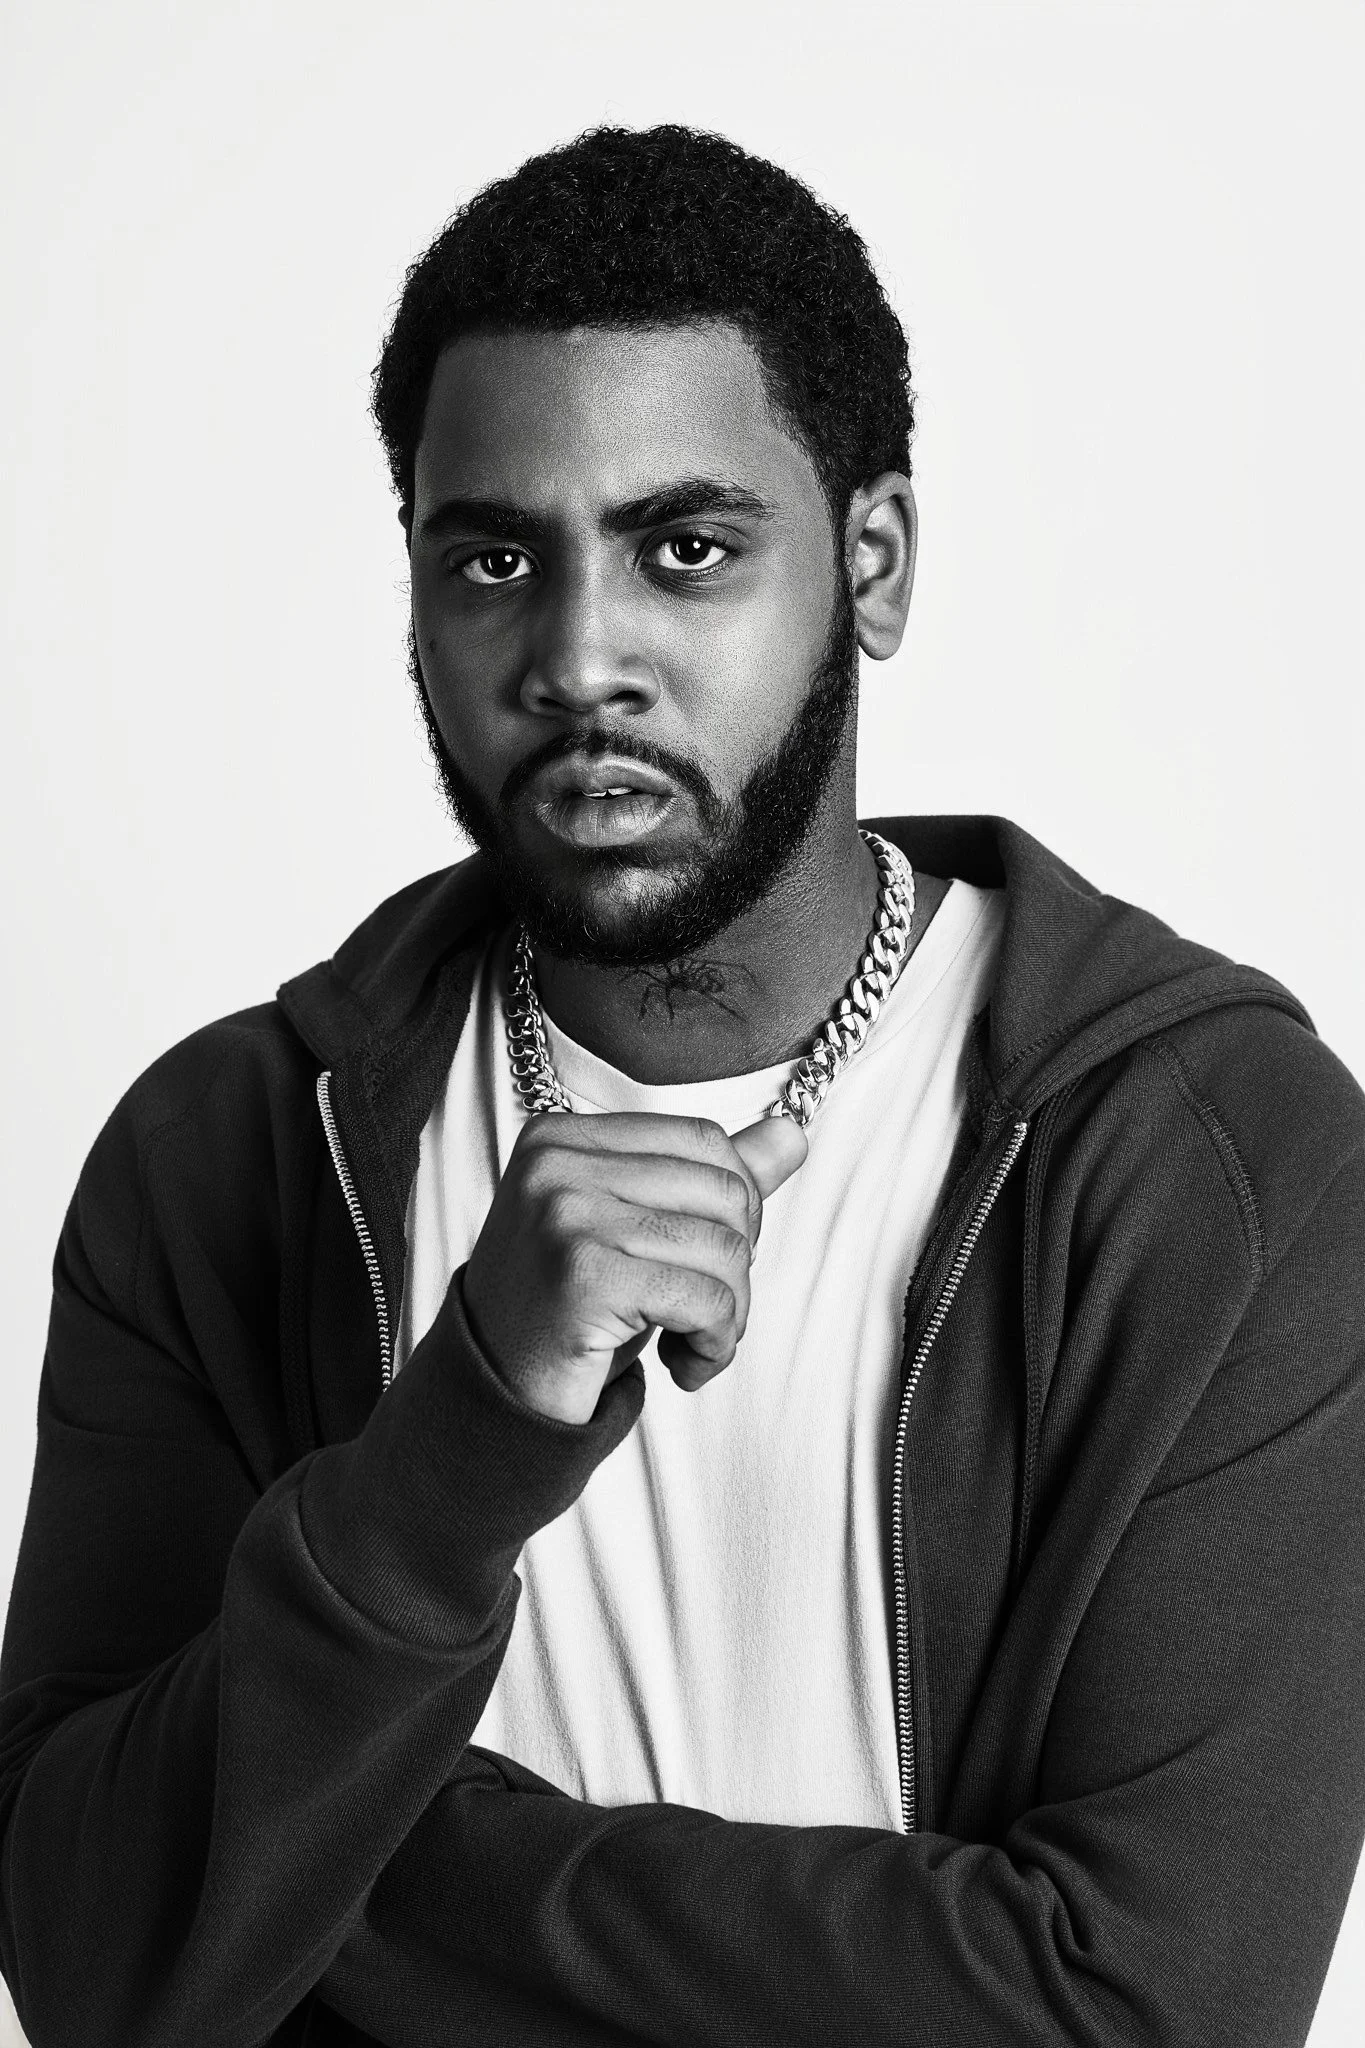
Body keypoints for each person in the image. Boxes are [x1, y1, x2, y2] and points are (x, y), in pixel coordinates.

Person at [2, 122, 1363, 2048]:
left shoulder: (1209, 1161)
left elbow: (1157, 2003)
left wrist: (345, 1863)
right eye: (494, 559)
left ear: (872, 565)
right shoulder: (227, 1157)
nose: (578, 656)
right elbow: (89, 1968)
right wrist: (463, 1437)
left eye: (687, 548)